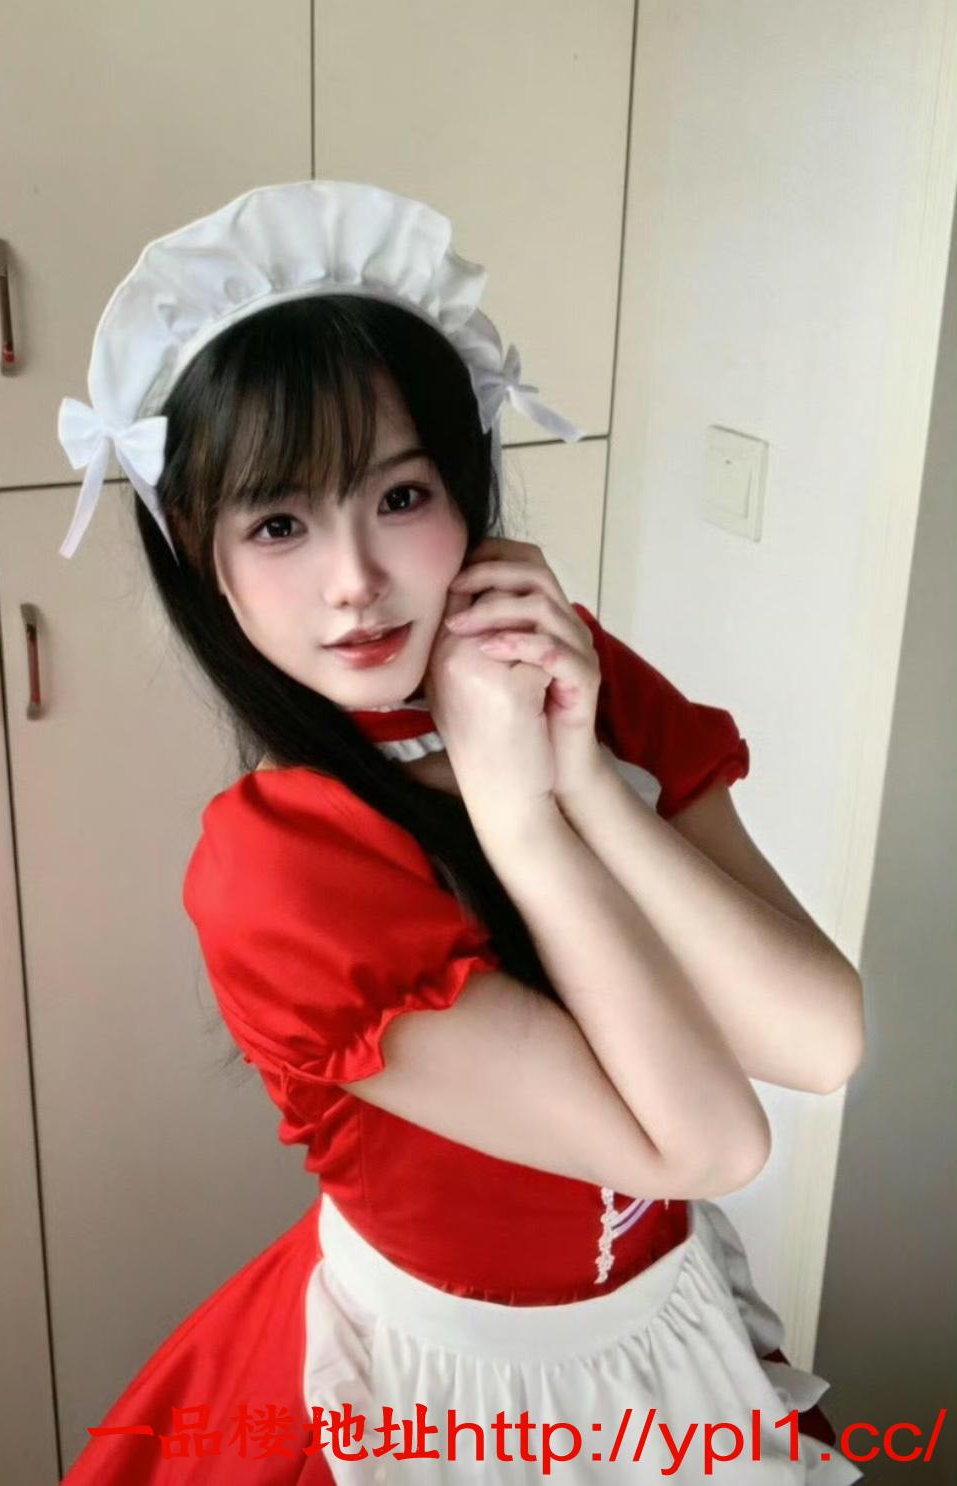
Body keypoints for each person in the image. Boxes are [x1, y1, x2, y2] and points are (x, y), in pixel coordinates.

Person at [55, 181, 863, 1483]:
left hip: (671, 1329)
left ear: (465, 490)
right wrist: (520, 822)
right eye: (278, 523)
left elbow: (820, 1040)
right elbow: (712, 1144)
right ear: (201, 560)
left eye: (398, 494)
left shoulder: (570, 672)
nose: (355, 582)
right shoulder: (276, 865)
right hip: (448, 1399)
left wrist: (583, 775)